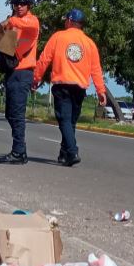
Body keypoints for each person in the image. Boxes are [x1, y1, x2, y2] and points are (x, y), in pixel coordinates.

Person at [33, 9, 106, 166]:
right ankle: (64, 154)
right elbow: (96, 69)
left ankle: (72, 152)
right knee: (71, 121)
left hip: (62, 85)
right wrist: (101, 91)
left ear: (68, 21)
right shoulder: (89, 43)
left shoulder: (58, 37)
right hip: (80, 88)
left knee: (65, 120)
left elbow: (44, 59)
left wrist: (36, 78)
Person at [0, 0, 40, 165]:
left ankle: (18, 152)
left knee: (17, 114)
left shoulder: (31, 21)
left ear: (29, 5)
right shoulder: (13, 22)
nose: (19, 6)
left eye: (23, 3)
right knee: (10, 114)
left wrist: (7, 22)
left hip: (23, 72)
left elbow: (26, 26)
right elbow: (3, 43)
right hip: (12, 71)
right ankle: (21, 150)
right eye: (16, 3)